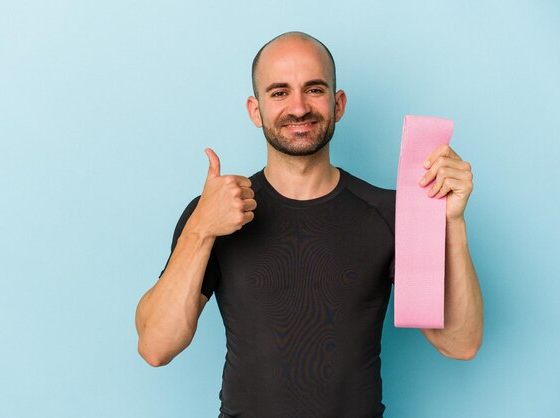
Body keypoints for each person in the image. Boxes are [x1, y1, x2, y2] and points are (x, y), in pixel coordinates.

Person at [135, 31, 483, 418]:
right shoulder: (214, 214)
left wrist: (453, 223)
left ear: (338, 104)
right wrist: (200, 229)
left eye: (314, 89)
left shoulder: (388, 213)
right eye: (279, 92)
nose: (298, 108)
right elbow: (155, 346)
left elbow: (459, 343)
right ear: (255, 110)